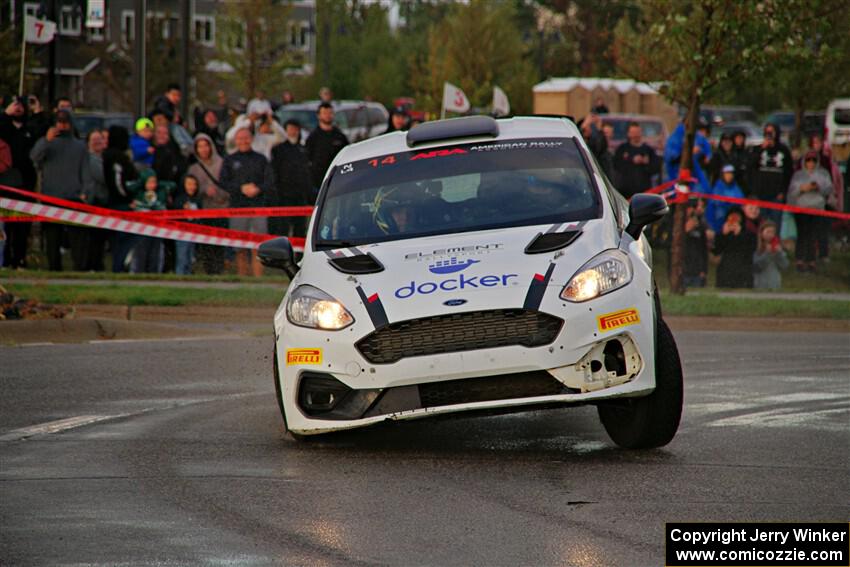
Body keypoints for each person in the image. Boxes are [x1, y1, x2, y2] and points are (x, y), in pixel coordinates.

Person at [29, 110, 90, 271]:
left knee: (77, 237)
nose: (62, 125)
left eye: (65, 122)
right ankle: (54, 268)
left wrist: (84, 192)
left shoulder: (80, 146)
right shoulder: (48, 143)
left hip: (73, 197)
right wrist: (45, 141)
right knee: (52, 238)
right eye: (59, 122)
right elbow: (34, 158)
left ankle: (79, 269)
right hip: (51, 197)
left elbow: (86, 172)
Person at [219, 128, 274, 276]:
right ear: (235, 140)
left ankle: (258, 278)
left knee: (258, 246)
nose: (243, 141)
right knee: (240, 246)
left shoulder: (261, 159)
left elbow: (269, 181)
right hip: (238, 208)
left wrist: (258, 189)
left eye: (246, 138)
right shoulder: (229, 160)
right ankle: (242, 276)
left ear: (251, 139)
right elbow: (223, 182)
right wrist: (240, 189)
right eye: (240, 138)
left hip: (258, 207)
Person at [0, 96, 39, 268]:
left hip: (26, 185)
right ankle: (6, 259)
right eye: (14, 104)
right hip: (6, 184)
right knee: (5, 226)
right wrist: (5, 115)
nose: (18, 108)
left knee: (23, 226)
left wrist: (39, 111)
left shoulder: (30, 129)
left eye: (20, 104)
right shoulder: (4, 127)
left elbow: (43, 130)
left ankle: (20, 258)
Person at [188, 133, 228, 273]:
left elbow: (229, 185)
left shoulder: (222, 163)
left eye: (206, 145)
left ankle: (220, 271)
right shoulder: (194, 168)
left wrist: (219, 193)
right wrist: (203, 190)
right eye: (200, 146)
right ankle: (208, 271)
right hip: (203, 211)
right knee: (206, 245)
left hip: (221, 209)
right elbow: (190, 190)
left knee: (220, 244)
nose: (203, 149)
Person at [787, 151, 832, 272]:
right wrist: (802, 188)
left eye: (813, 160)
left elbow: (829, 189)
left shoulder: (823, 173)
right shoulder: (798, 175)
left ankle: (811, 260)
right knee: (802, 234)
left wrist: (818, 187)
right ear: (804, 162)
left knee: (813, 235)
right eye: (808, 160)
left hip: (817, 209)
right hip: (801, 208)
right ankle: (800, 260)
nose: (811, 163)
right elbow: (792, 192)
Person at [102, 125, 139, 272]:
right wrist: (127, 198)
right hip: (121, 204)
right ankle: (119, 268)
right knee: (124, 240)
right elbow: (118, 182)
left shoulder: (109, 155)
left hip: (115, 203)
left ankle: (119, 266)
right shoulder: (117, 157)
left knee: (119, 240)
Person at [270, 119, 313, 237]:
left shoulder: (303, 150)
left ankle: (299, 255)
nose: (292, 132)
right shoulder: (278, 150)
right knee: (283, 228)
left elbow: (307, 174)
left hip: (300, 196)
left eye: (295, 129)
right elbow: (275, 172)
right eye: (290, 129)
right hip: (284, 196)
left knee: (300, 229)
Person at [127, 169, 173, 273]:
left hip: (157, 230)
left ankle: (154, 274)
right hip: (141, 230)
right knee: (140, 254)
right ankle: (137, 274)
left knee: (155, 255)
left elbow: (172, 185)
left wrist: (159, 183)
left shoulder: (160, 193)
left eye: (154, 182)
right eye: (149, 182)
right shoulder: (138, 192)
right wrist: (141, 182)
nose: (153, 185)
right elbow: (129, 186)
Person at [749, 122, 792, 229]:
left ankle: (775, 244)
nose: (769, 135)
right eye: (767, 132)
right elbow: (751, 166)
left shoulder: (784, 150)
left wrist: (783, 191)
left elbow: (788, 172)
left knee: (775, 224)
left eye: (771, 132)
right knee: (762, 223)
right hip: (761, 193)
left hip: (776, 194)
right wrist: (762, 149)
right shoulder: (758, 149)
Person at [612, 122, 661, 199]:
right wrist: (631, 160)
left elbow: (655, 169)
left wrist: (646, 163)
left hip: (644, 192)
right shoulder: (622, 149)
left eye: (637, 132)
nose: (635, 135)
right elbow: (616, 165)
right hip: (625, 192)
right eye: (633, 133)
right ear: (628, 134)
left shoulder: (648, 150)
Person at [306, 102, 349, 189]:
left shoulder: (339, 135)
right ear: (319, 115)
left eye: (330, 113)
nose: (328, 116)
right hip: (319, 182)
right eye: (325, 113)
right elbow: (308, 159)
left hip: (338, 178)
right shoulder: (313, 137)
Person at [83, 130, 109, 271]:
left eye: (100, 139)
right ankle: (92, 265)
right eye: (94, 139)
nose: (98, 142)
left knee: (100, 238)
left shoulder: (103, 158)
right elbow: (103, 177)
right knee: (94, 237)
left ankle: (98, 264)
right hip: (93, 202)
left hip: (103, 201)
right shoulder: (90, 159)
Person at [664, 120, 712, 193]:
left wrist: (706, 154)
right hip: (677, 178)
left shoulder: (693, 136)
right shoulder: (676, 138)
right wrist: (689, 151)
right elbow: (672, 157)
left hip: (690, 178)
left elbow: (705, 147)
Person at [713, 207, 756, 288]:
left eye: (737, 217)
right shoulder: (720, 233)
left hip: (743, 270)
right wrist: (723, 235)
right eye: (731, 216)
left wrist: (739, 235)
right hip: (725, 270)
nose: (734, 219)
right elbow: (716, 251)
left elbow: (750, 250)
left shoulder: (749, 234)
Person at [172, 174, 203, 275]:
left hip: (194, 232)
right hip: (182, 233)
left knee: (190, 258)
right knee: (182, 258)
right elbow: (175, 213)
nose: (192, 187)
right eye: (189, 184)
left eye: (194, 184)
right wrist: (182, 208)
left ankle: (188, 278)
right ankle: (180, 278)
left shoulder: (197, 199)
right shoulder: (179, 199)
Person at [705, 164, 744, 233]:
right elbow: (716, 203)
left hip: (732, 214)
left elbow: (740, 201)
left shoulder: (736, 187)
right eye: (727, 173)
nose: (730, 176)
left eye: (731, 173)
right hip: (720, 216)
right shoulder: (718, 187)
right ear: (723, 175)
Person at [753, 221, 788, 290]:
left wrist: (779, 253)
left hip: (775, 285)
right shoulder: (756, 248)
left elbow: (784, 266)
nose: (770, 234)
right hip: (760, 285)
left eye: (773, 232)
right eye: (768, 232)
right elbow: (757, 267)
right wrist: (767, 254)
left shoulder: (778, 247)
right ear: (761, 233)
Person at [683, 198, 709, 288]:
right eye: (692, 207)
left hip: (697, 271)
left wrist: (704, 270)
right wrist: (685, 231)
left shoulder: (701, 226)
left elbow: (703, 250)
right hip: (682, 271)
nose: (694, 210)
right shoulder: (677, 225)